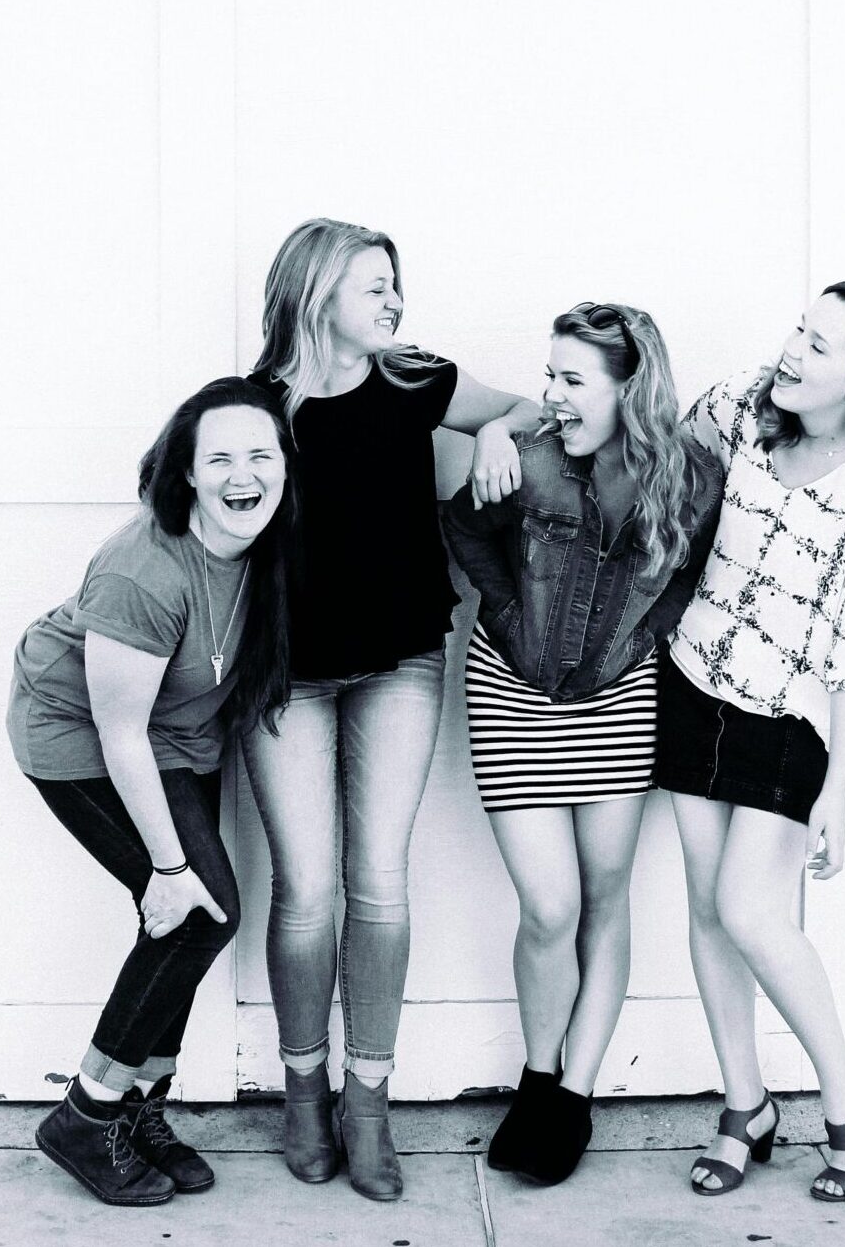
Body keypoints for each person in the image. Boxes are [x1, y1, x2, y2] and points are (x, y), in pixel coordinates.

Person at [243, 217, 539, 1201]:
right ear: (314, 287)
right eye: (372, 285)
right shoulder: (249, 409)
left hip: (402, 661)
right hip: (283, 674)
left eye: (394, 286)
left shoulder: (420, 384)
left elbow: (537, 411)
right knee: (305, 891)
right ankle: (301, 1086)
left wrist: (490, 426)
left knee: (377, 883)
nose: (392, 301)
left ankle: (365, 1099)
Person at [660, 283, 845, 1203]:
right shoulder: (743, 404)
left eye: (819, 347)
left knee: (753, 914)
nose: (792, 352)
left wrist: (839, 789)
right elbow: (657, 458)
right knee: (706, 907)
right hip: (692, 679)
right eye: (798, 329)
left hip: (789, 717)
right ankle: (745, 1107)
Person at [441, 302, 722, 1185]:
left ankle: (572, 1098)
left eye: (572, 379)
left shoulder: (691, 478)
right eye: (550, 374)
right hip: (513, 695)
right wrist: (510, 612)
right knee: (550, 908)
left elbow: (694, 570)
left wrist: (649, 637)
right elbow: (463, 530)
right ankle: (538, 1071)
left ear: (630, 387)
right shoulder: (524, 462)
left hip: (617, 702)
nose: (551, 394)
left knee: (605, 897)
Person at [9, 377, 298, 1207]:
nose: (242, 475)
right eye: (219, 458)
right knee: (197, 911)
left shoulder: (269, 545)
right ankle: (86, 1113)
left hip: (179, 740)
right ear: (187, 475)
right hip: (83, 741)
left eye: (260, 454)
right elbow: (119, 732)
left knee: (184, 925)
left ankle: (140, 1108)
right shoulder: (142, 570)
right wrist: (167, 870)